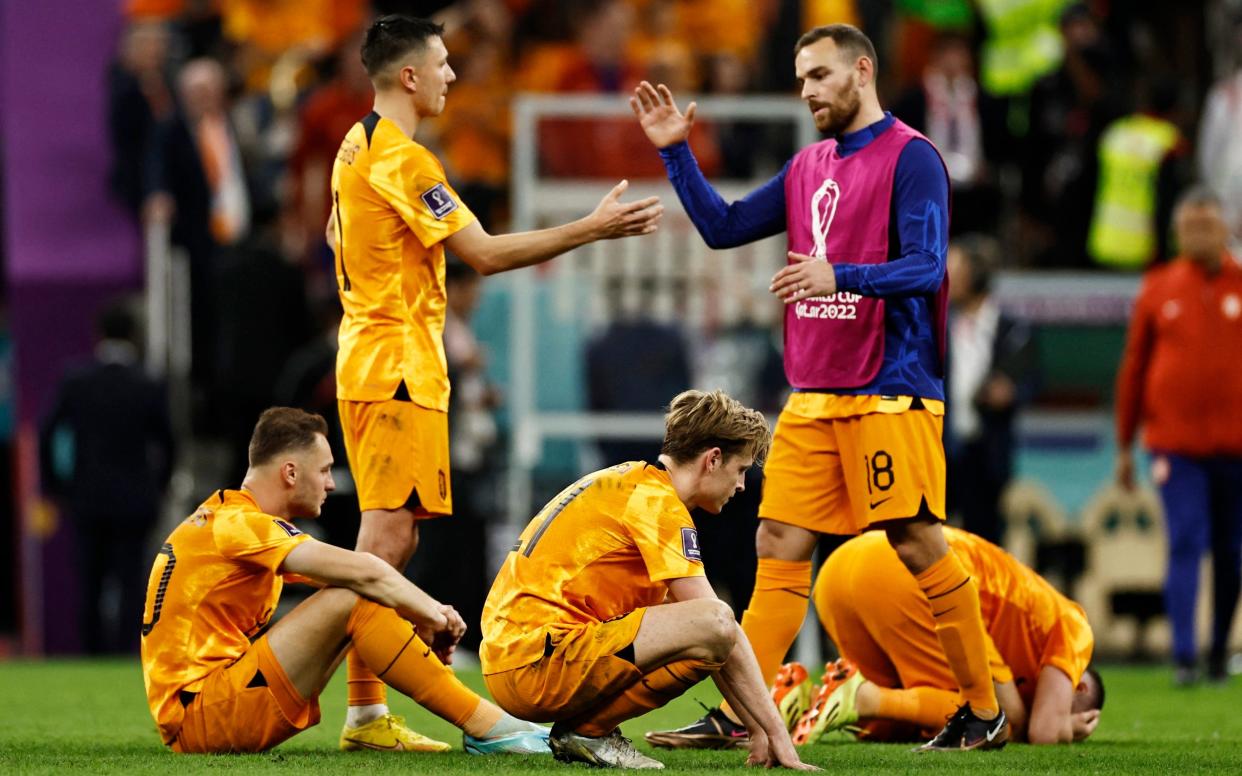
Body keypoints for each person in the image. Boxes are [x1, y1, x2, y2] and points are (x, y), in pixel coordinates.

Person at [632, 23, 1010, 751]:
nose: (806, 90)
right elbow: (724, 226)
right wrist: (675, 150)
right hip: (813, 389)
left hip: (889, 385)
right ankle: (746, 710)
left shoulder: (914, 157)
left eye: (820, 76)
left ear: (862, 71)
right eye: (801, 77)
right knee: (776, 540)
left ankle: (982, 708)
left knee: (916, 539)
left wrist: (840, 275)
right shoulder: (808, 164)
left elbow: (930, 268)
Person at [329, 14, 663, 750]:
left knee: (391, 542)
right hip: (396, 369)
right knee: (381, 546)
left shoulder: (355, 145)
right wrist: (591, 229)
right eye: (443, 64)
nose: (453, 75)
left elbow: (335, 236)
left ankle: (366, 710)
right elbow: (483, 253)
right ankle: (381, 712)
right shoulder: (407, 161)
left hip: (375, 358)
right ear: (409, 76)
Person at [139, 407, 550, 755]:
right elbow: (364, 572)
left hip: (204, 708)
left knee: (356, 592)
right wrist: (436, 615)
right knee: (353, 595)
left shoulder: (225, 520)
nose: (332, 483)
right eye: (324, 470)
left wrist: (412, 612)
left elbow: (358, 573)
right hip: (204, 716)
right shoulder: (240, 526)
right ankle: (492, 728)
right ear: (289, 472)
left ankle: (370, 723)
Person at [480, 390, 815, 770]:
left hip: (515, 656)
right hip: (536, 663)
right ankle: (589, 732)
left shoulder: (628, 481)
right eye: (740, 470)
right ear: (713, 459)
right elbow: (719, 626)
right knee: (714, 622)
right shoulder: (658, 504)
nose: (741, 486)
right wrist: (772, 733)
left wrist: (755, 726)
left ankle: (587, 732)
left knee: (692, 622)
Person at [791, 527, 1102, 745]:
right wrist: (1068, 727)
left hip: (843, 568)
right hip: (909, 573)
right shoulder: (1075, 626)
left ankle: (802, 699)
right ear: (1080, 686)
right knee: (996, 721)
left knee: (892, 727)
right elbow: (1043, 732)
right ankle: (860, 697)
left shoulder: (1028, 625)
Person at [1114, 187, 1242, 686]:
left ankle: (1216, 652)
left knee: (1231, 551)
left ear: (1224, 228)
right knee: (1186, 540)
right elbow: (1134, 369)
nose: (1197, 235)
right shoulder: (1159, 287)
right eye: (1189, 227)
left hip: (1235, 447)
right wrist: (1125, 445)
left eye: (1206, 226)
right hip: (1175, 446)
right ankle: (1185, 656)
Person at [40, 300, 174, 654]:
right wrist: (158, 487)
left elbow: (47, 432)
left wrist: (56, 486)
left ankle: (92, 652)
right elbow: (168, 442)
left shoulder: (77, 380)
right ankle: (124, 652)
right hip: (135, 499)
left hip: (88, 497)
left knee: (90, 580)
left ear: (99, 334)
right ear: (133, 334)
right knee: (131, 580)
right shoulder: (147, 382)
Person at [945, 235, 1038, 545]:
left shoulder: (1013, 330)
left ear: (976, 274)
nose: (945, 276)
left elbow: (1034, 378)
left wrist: (1011, 392)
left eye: (953, 268)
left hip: (986, 454)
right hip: (938, 452)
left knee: (984, 545)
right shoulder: (935, 325)